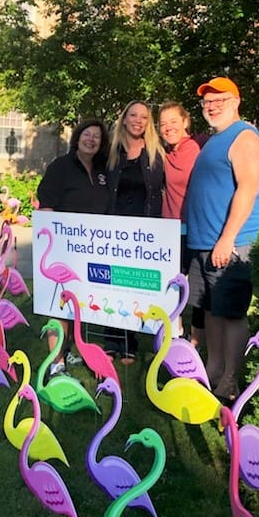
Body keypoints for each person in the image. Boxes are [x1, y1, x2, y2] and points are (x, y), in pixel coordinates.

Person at [186, 77, 259, 403]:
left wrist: (227, 237)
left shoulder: (244, 136)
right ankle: (214, 369)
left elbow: (248, 189)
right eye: (207, 101)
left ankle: (232, 381)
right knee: (210, 310)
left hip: (230, 243)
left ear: (235, 101)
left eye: (219, 100)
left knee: (231, 312)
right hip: (204, 242)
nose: (211, 106)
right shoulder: (214, 140)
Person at [37, 118, 110, 375]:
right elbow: (46, 203)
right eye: (87, 134)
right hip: (64, 247)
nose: (91, 140)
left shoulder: (102, 170)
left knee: (77, 304)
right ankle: (56, 361)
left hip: (92, 249)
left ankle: (68, 349)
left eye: (96, 136)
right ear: (77, 138)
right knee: (59, 305)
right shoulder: (61, 167)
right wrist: (53, 239)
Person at [105, 100, 165, 364]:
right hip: (112, 232)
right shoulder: (111, 152)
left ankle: (129, 342)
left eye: (144, 117)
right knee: (110, 285)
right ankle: (111, 340)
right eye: (133, 115)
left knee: (132, 287)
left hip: (143, 234)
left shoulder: (155, 154)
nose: (138, 120)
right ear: (124, 119)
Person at [158, 100, 206, 349]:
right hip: (170, 232)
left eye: (174, 121)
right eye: (163, 124)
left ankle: (195, 343)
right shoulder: (163, 154)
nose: (169, 127)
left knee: (197, 290)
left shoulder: (200, 146)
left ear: (186, 121)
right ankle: (174, 337)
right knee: (171, 287)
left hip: (197, 230)